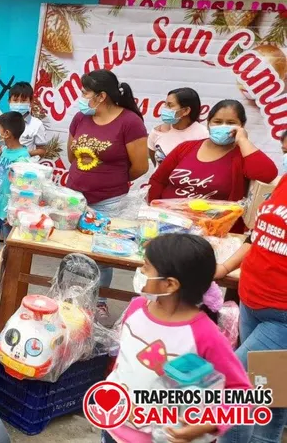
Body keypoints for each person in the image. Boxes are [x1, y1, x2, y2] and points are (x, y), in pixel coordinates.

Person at [104, 234, 252, 443]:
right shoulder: (136, 308)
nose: (141, 271)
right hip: (115, 430)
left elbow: (240, 391)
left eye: (146, 266)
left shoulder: (205, 334)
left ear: (170, 285)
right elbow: (126, 359)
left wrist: (209, 423)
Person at [214, 136, 287, 441]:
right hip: (252, 300)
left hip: (282, 314)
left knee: (236, 386)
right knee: (270, 387)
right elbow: (259, 235)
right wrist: (225, 268)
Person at [67, 69, 148, 318]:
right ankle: (74, 299)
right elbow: (71, 154)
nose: (81, 98)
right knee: (74, 251)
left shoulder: (130, 123)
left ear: (101, 96)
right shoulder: (81, 118)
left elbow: (140, 166)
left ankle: (99, 300)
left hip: (109, 201)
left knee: (101, 254)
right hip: (76, 198)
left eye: (85, 92)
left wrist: (111, 180)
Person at [148, 99, 277, 234]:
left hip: (213, 232)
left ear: (242, 126)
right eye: (218, 121)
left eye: (231, 123)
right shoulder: (186, 148)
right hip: (168, 224)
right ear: (208, 123)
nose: (223, 126)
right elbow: (158, 180)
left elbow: (267, 174)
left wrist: (243, 140)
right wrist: (153, 213)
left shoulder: (242, 156)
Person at [0, 112, 29, 251]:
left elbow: (24, 189)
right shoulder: (2, 150)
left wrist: (15, 212)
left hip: (8, 213)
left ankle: (4, 273)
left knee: (9, 249)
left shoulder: (22, 158)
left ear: (7, 133)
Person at [0, 82, 47, 161]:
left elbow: (42, 151)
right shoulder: (0, 121)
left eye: (23, 100)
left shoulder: (37, 124)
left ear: (31, 102)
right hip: (1, 166)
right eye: (15, 100)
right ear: (9, 101)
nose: (19, 103)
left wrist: (23, 154)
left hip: (23, 169)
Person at [147, 87, 208, 166]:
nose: (165, 109)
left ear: (186, 111)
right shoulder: (157, 132)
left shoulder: (204, 135)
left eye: (170, 105)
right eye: (165, 105)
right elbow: (155, 162)